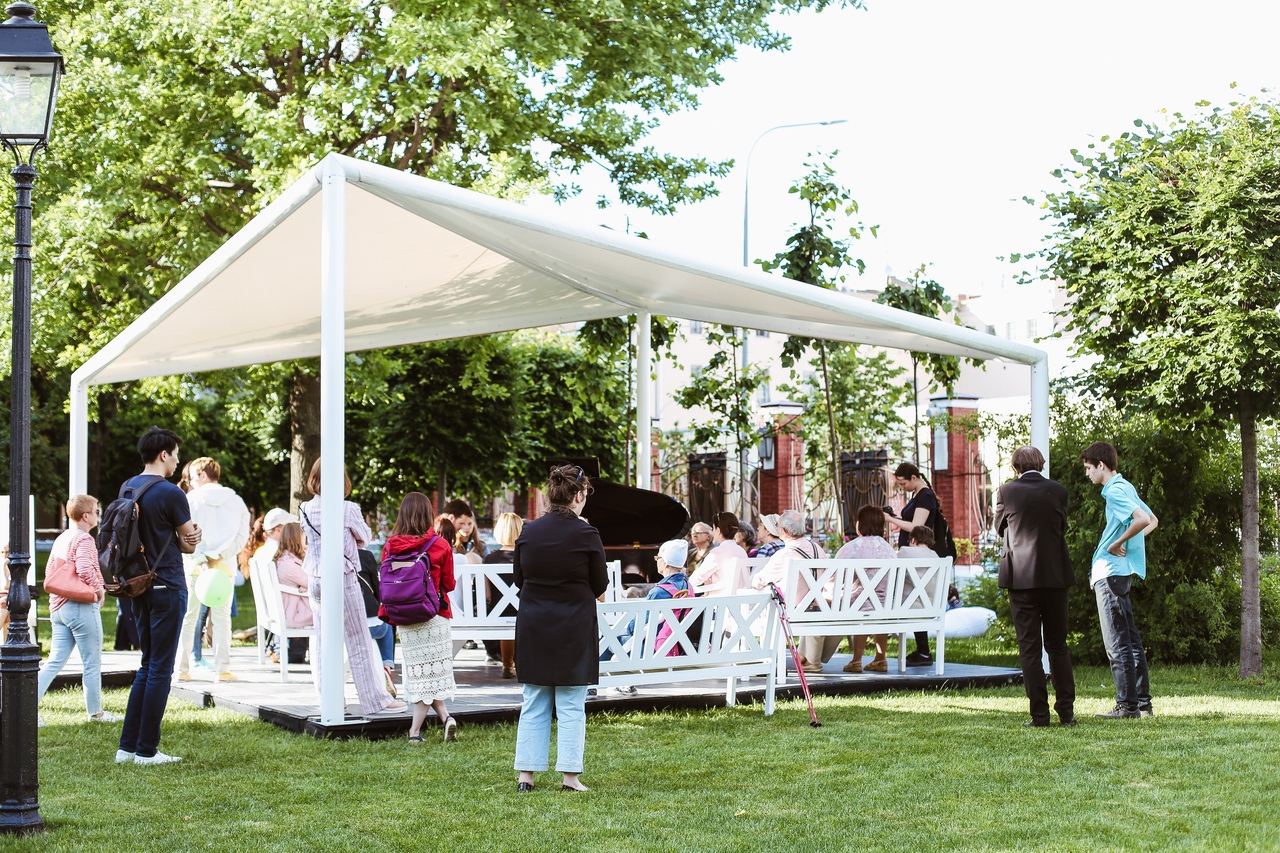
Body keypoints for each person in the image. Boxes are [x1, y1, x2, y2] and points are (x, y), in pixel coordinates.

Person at [513, 465, 608, 793]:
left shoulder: (528, 531)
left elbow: (519, 578)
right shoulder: (587, 533)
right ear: (578, 495)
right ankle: (569, 777)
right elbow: (600, 584)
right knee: (570, 703)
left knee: (534, 700)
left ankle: (526, 776)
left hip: (534, 624)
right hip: (573, 625)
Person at [117, 426, 202, 766]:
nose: (177, 461)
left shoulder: (128, 487)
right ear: (164, 454)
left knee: (147, 664)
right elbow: (188, 543)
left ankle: (127, 747)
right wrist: (192, 537)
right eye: (176, 455)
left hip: (138, 584)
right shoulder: (171, 493)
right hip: (167, 583)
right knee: (160, 669)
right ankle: (146, 750)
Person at [299, 459, 406, 717]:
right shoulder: (348, 508)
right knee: (358, 639)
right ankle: (375, 701)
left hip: (315, 577)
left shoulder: (305, 508)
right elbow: (365, 537)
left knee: (324, 641)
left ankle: (331, 700)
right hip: (343, 576)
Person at [993, 445, 1077, 727]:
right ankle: (1066, 713)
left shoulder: (1007, 492)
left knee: (1029, 648)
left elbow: (999, 528)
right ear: (1041, 464)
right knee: (1058, 645)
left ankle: (1039, 715)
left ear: (1015, 467)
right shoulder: (1059, 491)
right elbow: (1061, 527)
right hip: (1055, 576)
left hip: (1021, 579)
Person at [1081, 441, 1158, 720]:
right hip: (1121, 572)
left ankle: (1127, 706)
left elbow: (1142, 519)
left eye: (1089, 468)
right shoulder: (1125, 486)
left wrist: (1117, 543)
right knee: (1131, 641)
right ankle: (1142, 704)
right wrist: (1127, 541)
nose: (1087, 473)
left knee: (1117, 643)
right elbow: (1152, 520)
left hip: (1110, 572)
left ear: (1101, 465)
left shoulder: (1114, 490)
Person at [37, 495, 119, 725]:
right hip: (80, 607)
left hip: (59, 607)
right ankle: (96, 713)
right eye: (96, 512)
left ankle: (27, 708)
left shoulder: (62, 538)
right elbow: (84, 568)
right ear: (85, 516)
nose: (98, 516)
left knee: (54, 661)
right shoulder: (84, 539)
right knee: (92, 662)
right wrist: (99, 591)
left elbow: (51, 573)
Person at [384, 492, 458, 743]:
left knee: (421, 675)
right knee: (429, 676)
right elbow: (449, 584)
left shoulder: (390, 546)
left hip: (404, 617)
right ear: (428, 515)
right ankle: (415, 732)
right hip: (434, 614)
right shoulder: (440, 545)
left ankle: (445, 719)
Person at [177, 457, 250, 683]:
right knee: (222, 620)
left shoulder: (190, 500)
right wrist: (219, 555)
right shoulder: (236, 501)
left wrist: (200, 557)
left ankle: (181, 670)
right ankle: (222, 670)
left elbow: (181, 533)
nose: (190, 482)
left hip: (195, 566)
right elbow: (241, 537)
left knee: (188, 617)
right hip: (224, 567)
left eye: (192, 478)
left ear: (202, 475)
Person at [751, 510, 827, 672]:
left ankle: (766, 660)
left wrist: (755, 581)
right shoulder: (818, 549)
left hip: (792, 610)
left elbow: (759, 581)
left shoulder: (784, 555)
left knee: (768, 602)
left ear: (783, 531)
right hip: (818, 607)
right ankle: (807, 657)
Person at [884, 462, 941, 666]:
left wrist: (890, 520)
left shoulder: (925, 496)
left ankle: (923, 651)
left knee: (916, 596)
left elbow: (916, 526)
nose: (902, 487)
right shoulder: (917, 495)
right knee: (916, 597)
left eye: (903, 483)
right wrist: (895, 517)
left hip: (917, 555)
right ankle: (923, 650)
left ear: (914, 478)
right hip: (912, 553)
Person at [831, 505, 896, 674]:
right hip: (887, 604)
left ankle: (856, 660)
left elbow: (836, 576)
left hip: (857, 604)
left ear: (861, 524)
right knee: (874, 606)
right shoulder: (888, 549)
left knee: (861, 602)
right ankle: (880, 658)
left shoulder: (852, 547)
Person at [483, 512, 523, 678]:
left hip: (498, 613)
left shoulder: (489, 559)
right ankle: (522, 665)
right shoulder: (527, 556)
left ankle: (507, 665)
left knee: (505, 614)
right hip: (524, 611)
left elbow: (488, 595)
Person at [272, 522, 314, 660]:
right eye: (303, 536)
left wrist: (307, 585)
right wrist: (308, 585)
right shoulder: (289, 564)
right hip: (296, 613)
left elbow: (309, 581)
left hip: (293, 608)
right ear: (296, 538)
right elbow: (317, 582)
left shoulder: (287, 559)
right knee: (336, 612)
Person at [688, 512, 747, 596]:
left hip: (719, 600)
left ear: (718, 530)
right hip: (741, 599)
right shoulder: (741, 551)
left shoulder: (717, 553)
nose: (713, 531)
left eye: (713, 528)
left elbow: (698, 577)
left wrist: (683, 586)